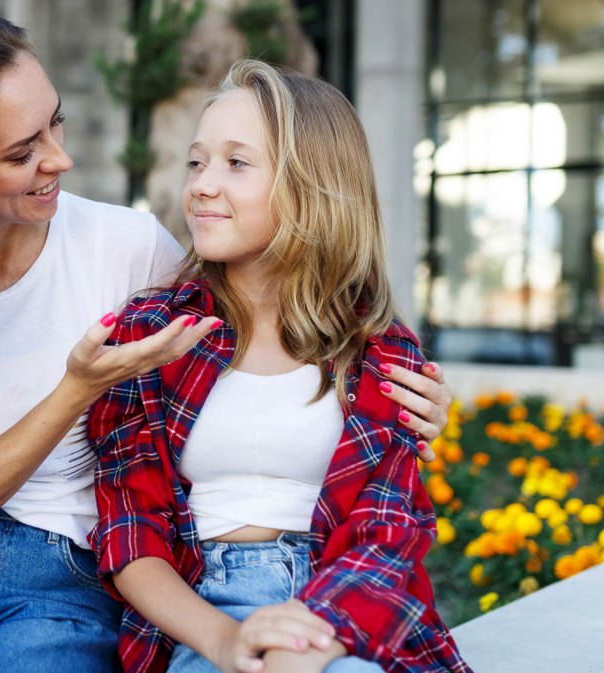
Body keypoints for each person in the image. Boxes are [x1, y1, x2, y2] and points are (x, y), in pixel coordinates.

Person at [0, 10, 453, 673]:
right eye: (22, 151)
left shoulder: (132, 254)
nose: (60, 158)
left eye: (54, 123)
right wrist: (77, 388)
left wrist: (417, 404)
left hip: (60, 581)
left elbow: (386, 519)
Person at [88, 60, 471, 673]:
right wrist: (223, 639)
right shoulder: (151, 334)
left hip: (345, 613)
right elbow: (129, 532)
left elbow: (388, 534)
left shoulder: (379, 348)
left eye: (236, 163)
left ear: (311, 184)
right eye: (197, 161)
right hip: (203, 612)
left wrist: (310, 641)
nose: (202, 185)